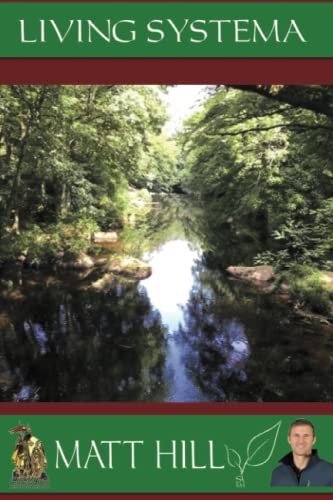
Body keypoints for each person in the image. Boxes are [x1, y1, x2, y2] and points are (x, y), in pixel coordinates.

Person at [271, 418, 333, 487]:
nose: (301, 441)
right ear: (289, 439)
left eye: (306, 436)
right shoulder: (277, 473)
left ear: (313, 439)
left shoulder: (330, 472)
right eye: (296, 436)